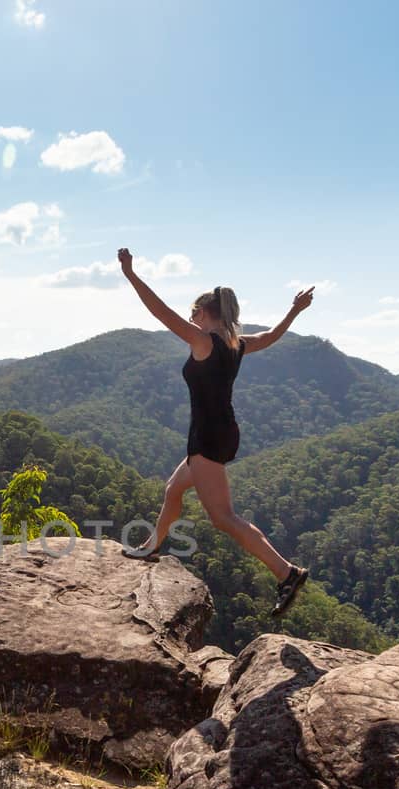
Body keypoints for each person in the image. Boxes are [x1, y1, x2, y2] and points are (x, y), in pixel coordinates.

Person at [115, 246, 313, 618]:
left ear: (205, 314)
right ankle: (151, 546)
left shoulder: (203, 341)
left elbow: (160, 311)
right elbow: (271, 335)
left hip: (207, 437)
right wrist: (294, 310)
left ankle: (286, 573)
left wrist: (130, 274)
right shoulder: (237, 344)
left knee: (223, 518)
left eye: (194, 313)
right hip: (217, 432)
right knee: (173, 489)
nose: (191, 318)